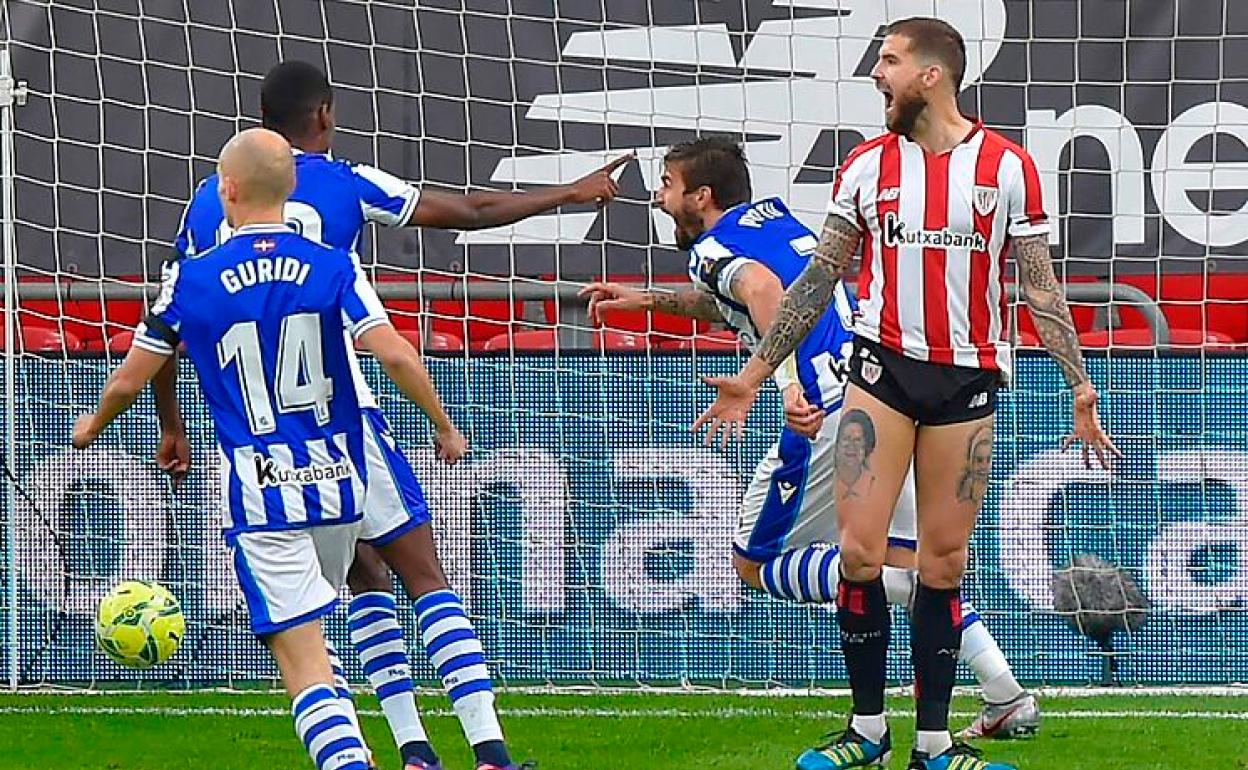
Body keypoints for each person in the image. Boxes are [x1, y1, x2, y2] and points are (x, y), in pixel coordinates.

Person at [154, 60, 626, 770]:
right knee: (421, 573)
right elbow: (468, 212)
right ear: (324, 114)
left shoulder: (204, 204)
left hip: (257, 437)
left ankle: (411, 749)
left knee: (359, 584)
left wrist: (172, 424)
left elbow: (163, 329)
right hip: (346, 417)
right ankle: (489, 751)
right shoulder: (343, 181)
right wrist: (574, 191)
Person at [694, 18, 1119, 770]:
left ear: (931, 75)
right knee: (860, 556)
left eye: (887, 60)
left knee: (941, 568)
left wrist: (1080, 386)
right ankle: (866, 732)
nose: (876, 74)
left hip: (967, 384)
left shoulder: (1008, 166)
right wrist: (756, 375)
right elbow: (818, 277)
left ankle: (932, 745)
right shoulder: (866, 165)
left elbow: (1040, 286)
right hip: (881, 375)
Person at [580, 136, 1038, 760]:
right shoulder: (773, 218)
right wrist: (651, 301)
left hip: (826, 414)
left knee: (758, 563)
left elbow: (765, 294)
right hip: (879, 397)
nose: (660, 198)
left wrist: (790, 389)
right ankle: (1004, 693)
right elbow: (751, 297)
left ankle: (882, 725)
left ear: (701, 195)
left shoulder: (712, 249)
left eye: (666, 185)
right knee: (919, 566)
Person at [73, 127, 453, 770]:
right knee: (335, 628)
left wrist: (88, 428)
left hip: (262, 492)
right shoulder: (333, 263)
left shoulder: (190, 279)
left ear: (226, 189)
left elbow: (131, 377)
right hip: (340, 484)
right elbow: (390, 348)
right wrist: (443, 424)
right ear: (291, 187)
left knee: (305, 663)